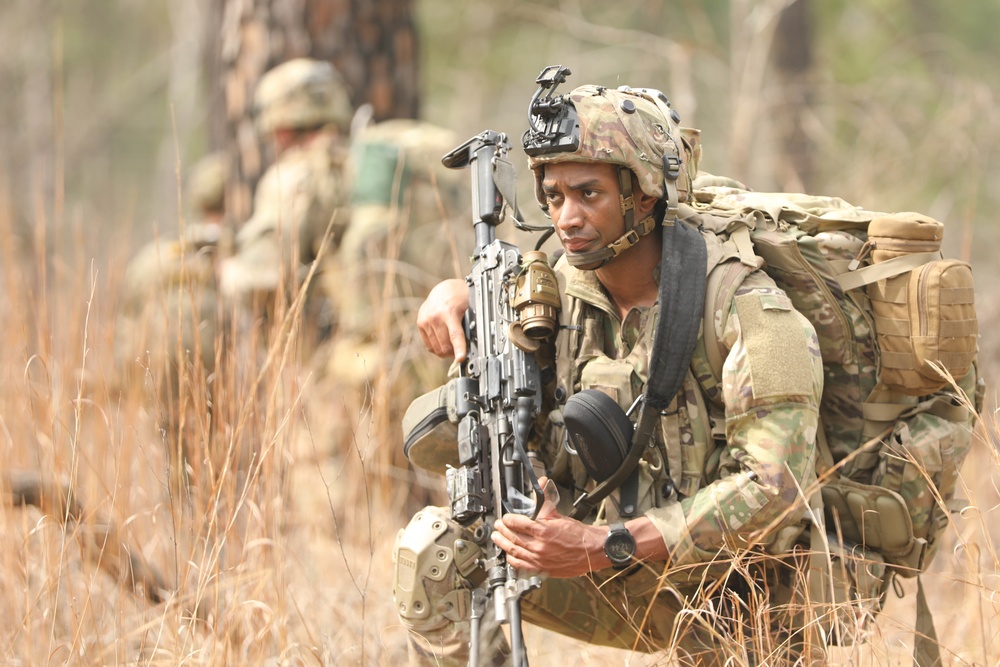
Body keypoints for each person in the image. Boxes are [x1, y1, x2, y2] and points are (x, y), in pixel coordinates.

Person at [393, 76, 825, 665]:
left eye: (588, 193)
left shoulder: (744, 306)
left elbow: (777, 487)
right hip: (594, 564)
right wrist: (456, 295)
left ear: (644, 193)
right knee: (436, 553)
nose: (566, 217)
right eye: (552, 196)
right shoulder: (551, 292)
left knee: (755, 618)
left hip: (728, 596)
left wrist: (603, 544)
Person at [115, 151, 233, 489]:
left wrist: (130, 382)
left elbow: (126, 326)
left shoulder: (155, 258)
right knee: (217, 457)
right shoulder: (232, 254)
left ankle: (184, 526)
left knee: (178, 458)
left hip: (160, 378)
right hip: (217, 383)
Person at [221, 57, 354, 354]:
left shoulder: (294, 175)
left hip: (333, 357)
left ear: (279, 125)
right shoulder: (359, 160)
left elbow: (263, 279)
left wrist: (223, 272)